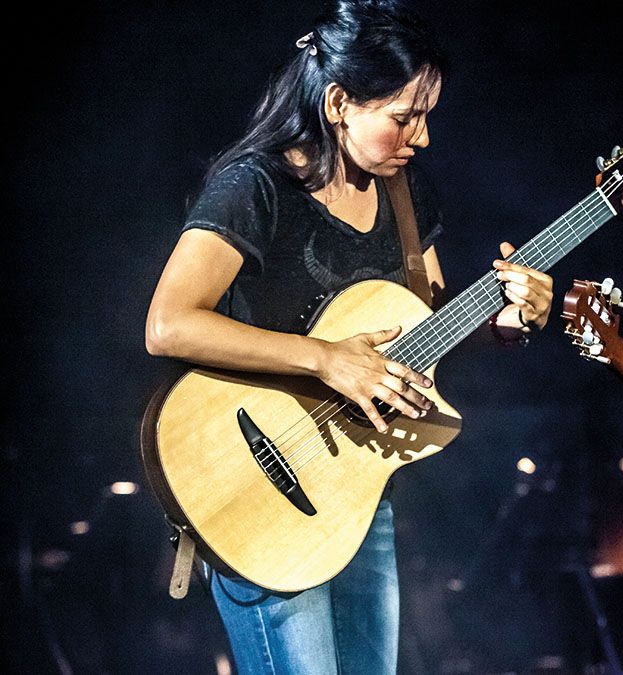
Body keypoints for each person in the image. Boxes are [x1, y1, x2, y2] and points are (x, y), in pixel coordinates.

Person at [143, 2, 553, 672]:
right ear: (339, 102)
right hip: (255, 486)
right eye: (403, 117)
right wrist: (326, 359)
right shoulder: (257, 186)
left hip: (357, 496)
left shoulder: (405, 192)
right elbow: (168, 323)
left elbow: (431, 318)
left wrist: (504, 320)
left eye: (426, 117)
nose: (420, 137)